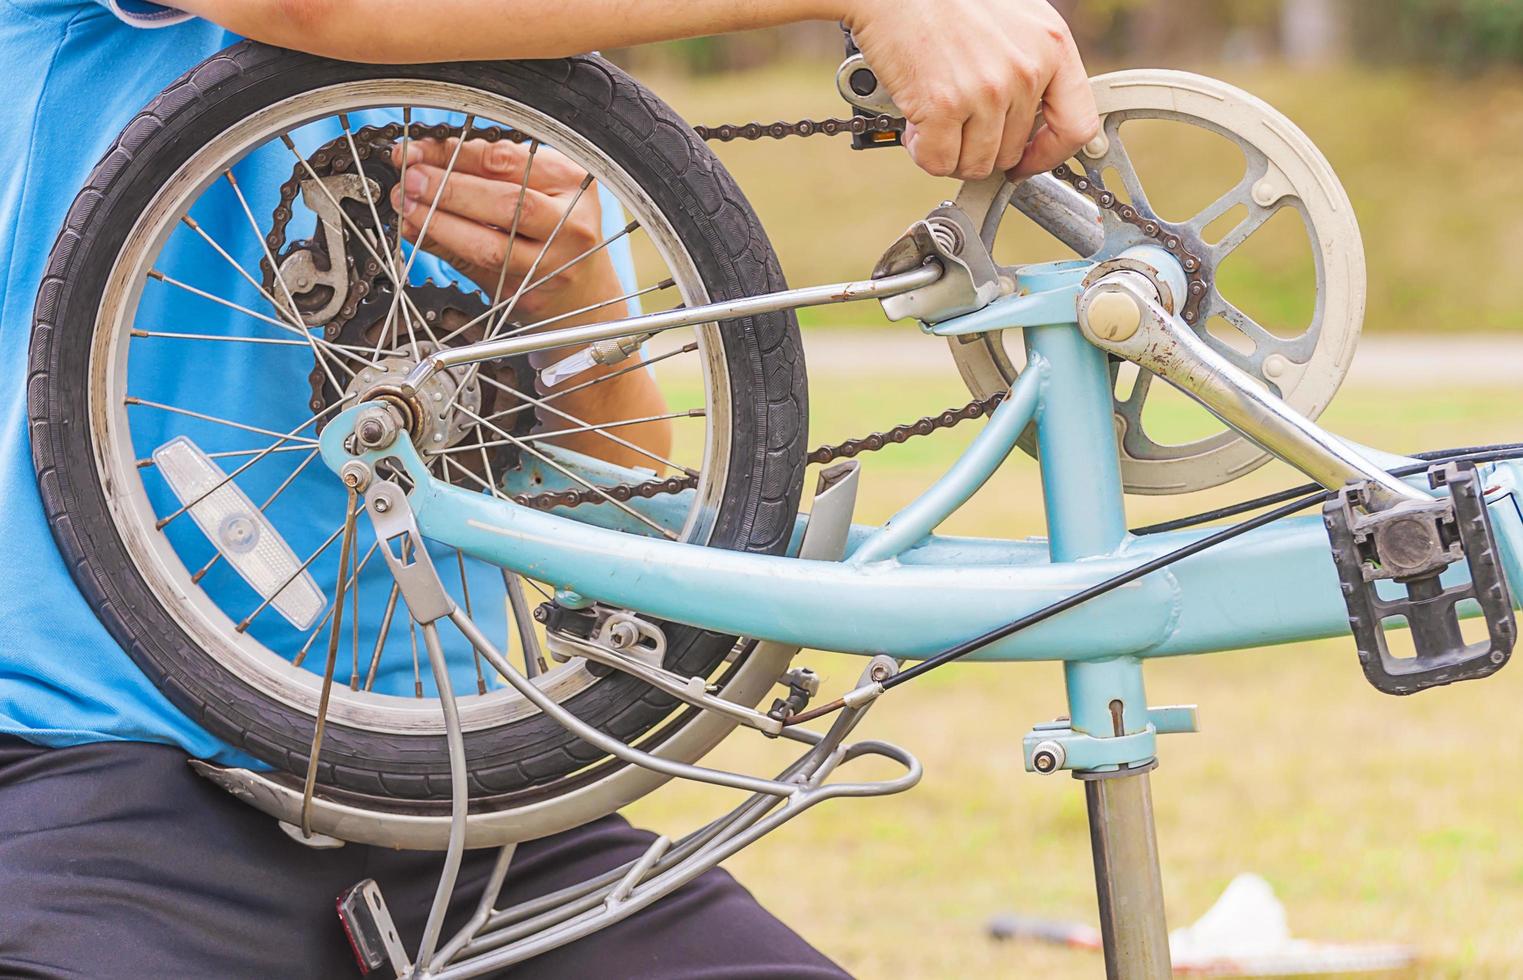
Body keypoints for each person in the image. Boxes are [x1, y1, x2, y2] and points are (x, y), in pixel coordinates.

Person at [0, 1, 1099, 975]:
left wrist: (579, 311)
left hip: (459, 798)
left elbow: (626, 508)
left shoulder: (475, 74)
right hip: (104, 784)